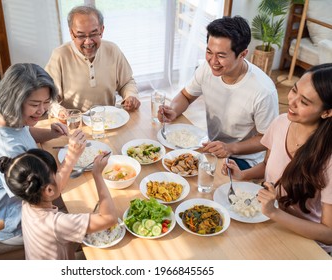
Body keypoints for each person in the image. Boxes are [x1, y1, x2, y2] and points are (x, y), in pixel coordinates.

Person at [0, 63, 87, 245]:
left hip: (7, 202)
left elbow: (23, 133)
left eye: (46, 103)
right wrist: (72, 155)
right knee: (87, 211)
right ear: (14, 101)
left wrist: (50, 133)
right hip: (9, 223)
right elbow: (48, 194)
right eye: (35, 104)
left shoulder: (0, 114)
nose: (42, 111)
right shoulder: (6, 147)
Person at [224, 63, 332, 254]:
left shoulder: (329, 159)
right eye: (293, 90)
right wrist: (243, 175)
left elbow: (328, 234)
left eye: (304, 102)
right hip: (268, 221)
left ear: (327, 112)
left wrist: (274, 213)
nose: (292, 102)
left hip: (306, 243)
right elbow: (268, 164)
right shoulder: (281, 122)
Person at [159, 16, 278, 170]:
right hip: (212, 149)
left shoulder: (263, 91)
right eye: (209, 52)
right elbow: (186, 96)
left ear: (242, 54)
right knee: (170, 164)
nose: (213, 61)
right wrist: (173, 110)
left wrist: (230, 148)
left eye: (221, 56)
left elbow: (267, 139)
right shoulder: (206, 69)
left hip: (242, 159)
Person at [0, 148, 117, 260]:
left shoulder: (27, 200)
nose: (58, 176)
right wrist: (97, 174)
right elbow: (109, 218)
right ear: (49, 190)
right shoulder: (56, 224)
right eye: (56, 174)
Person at [45, 5, 140, 113]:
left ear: (102, 30)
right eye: (81, 36)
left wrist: (130, 95)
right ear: (71, 33)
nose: (88, 42)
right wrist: (58, 111)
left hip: (108, 121)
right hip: (74, 123)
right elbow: (48, 97)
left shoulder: (112, 50)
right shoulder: (60, 55)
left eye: (93, 34)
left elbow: (127, 82)